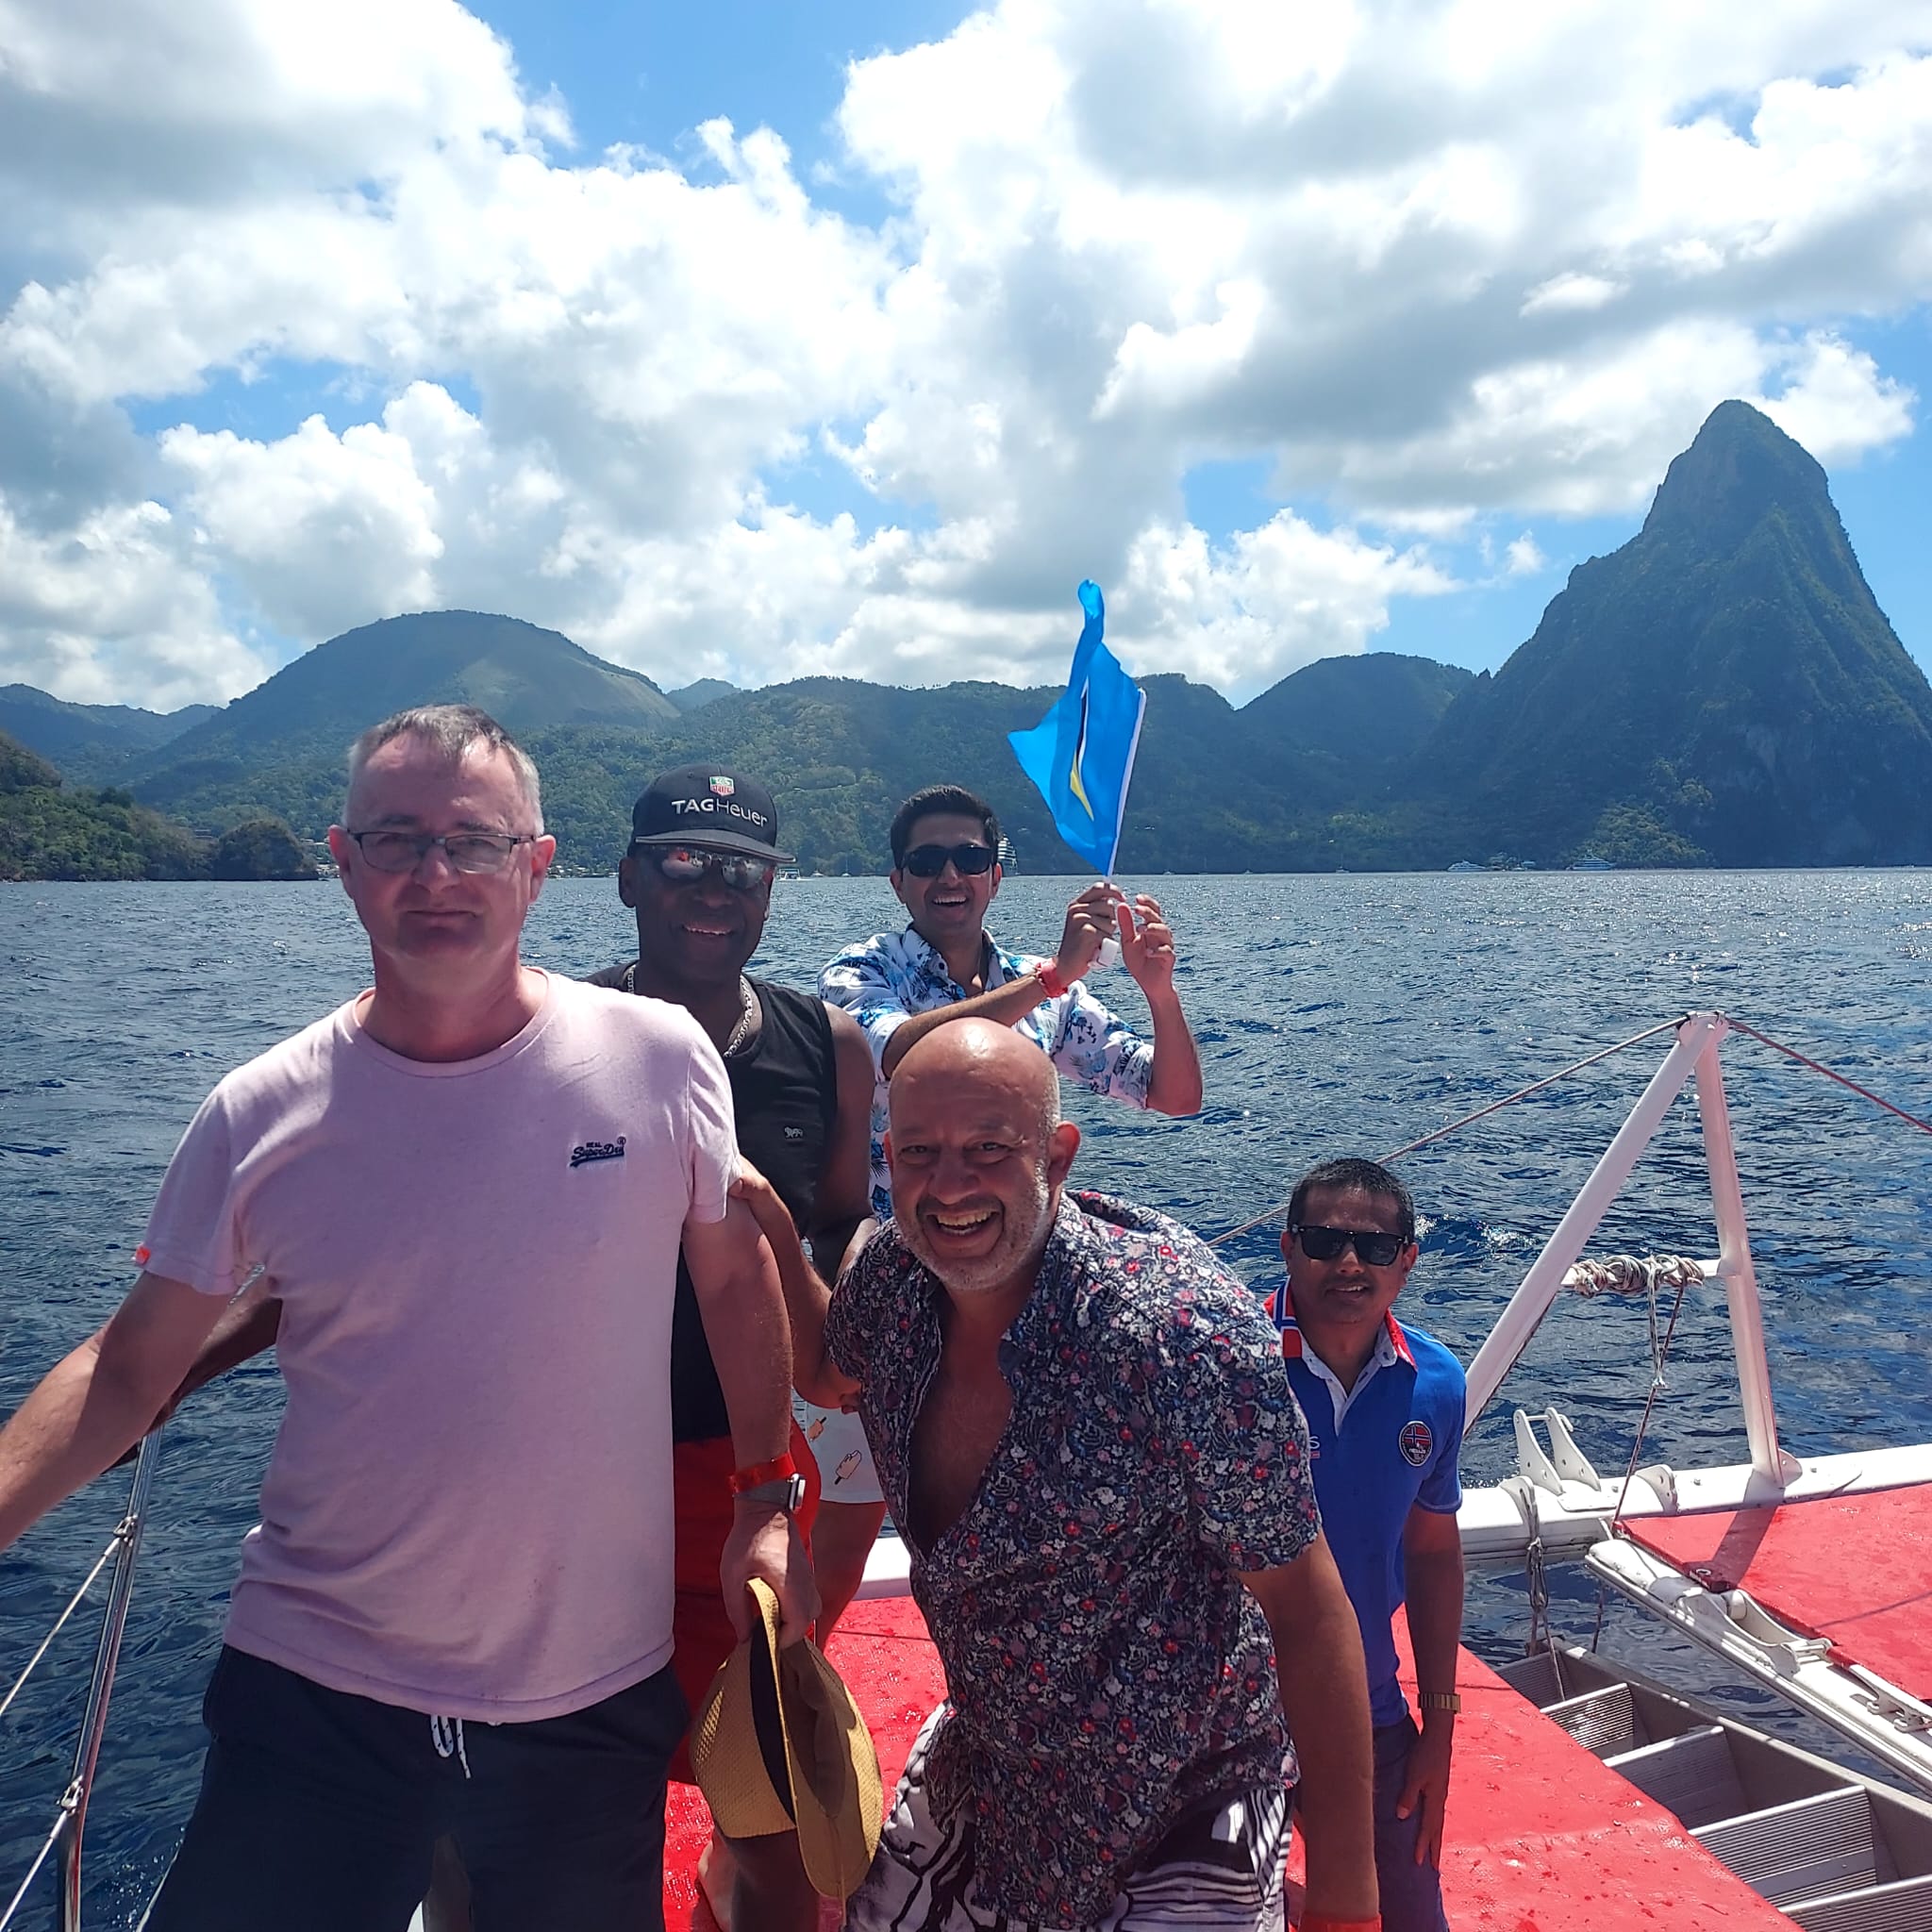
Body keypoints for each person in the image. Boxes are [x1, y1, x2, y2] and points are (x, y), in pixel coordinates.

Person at [0, 706, 815, 1932]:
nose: (436, 873)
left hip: (587, 1691)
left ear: (537, 866)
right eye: (396, 838)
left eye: (475, 841)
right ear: (344, 862)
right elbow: (128, 1367)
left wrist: (763, 1500)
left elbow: (732, 1274)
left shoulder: (656, 1059)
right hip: (315, 1687)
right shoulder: (258, 1113)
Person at [739, 1019, 1379, 1932]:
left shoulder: (1178, 1335)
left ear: (1057, 1155)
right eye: (919, 1152)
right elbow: (826, 1373)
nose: (948, 1184)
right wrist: (766, 1220)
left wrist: (1348, 1898)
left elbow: (1307, 1608)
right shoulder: (891, 1280)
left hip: (1183, 1800)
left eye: (988, 1149)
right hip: (994, 1764)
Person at [808, 783, 1205, 1541]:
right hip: (891, 1287)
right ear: (897, 881)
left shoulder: (1048, 990)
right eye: (926, 860)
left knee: (1020, 1522)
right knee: (843, 1529)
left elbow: (1174, 1095)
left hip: (1019, 1301)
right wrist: (1052, 978)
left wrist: (1159, 991)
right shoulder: (861, 971)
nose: (949, 876)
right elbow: (901, 1052)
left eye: (968, 858)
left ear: (995, 875)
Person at [1274, 1158, 1466, 1932]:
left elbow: (1432, 1552)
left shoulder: (1437, 1384)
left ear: (1407, 1261)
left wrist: (1439, 1727)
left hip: (1368, 1708)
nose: (1349, 1264)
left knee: (1409, 1916)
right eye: (1325, 1241)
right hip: (1224, 1714)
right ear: (1289, 1248)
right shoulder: (1226, 1365)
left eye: (1376, 1247)